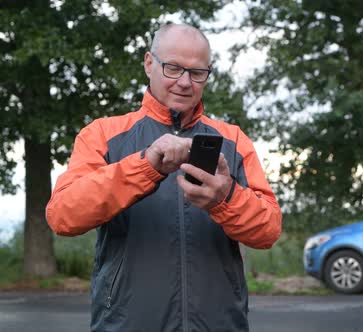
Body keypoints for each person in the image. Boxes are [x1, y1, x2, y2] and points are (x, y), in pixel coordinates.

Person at [45, 23, 282, 332]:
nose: (185, 82)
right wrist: (145, 166)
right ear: (148, 63)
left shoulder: (234, 141)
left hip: (220, 324)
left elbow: (268, 231)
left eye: (197, 73)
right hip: (126, 324)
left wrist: (226, 198)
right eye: (173, 68)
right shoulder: (102, 135)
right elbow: (63, 216)